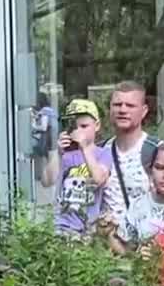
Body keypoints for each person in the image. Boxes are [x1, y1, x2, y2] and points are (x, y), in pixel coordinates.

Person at [38, 99, 112, 240]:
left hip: (89, 228)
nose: (79, 131)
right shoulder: (64, 154)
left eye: (84, 126)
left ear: (97, 126)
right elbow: (47, 181)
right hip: (62, 225)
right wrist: (57, 153)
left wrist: (84, 148)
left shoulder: (103, 153)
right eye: (74, 127)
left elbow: (99, 178)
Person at [99, 81, 160, 231]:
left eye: (130, 105)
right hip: (106, 246)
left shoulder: (158, 151)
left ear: (144, 111)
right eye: (117, 105)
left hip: (148, 246)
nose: (123, 110)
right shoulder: (98, 152)